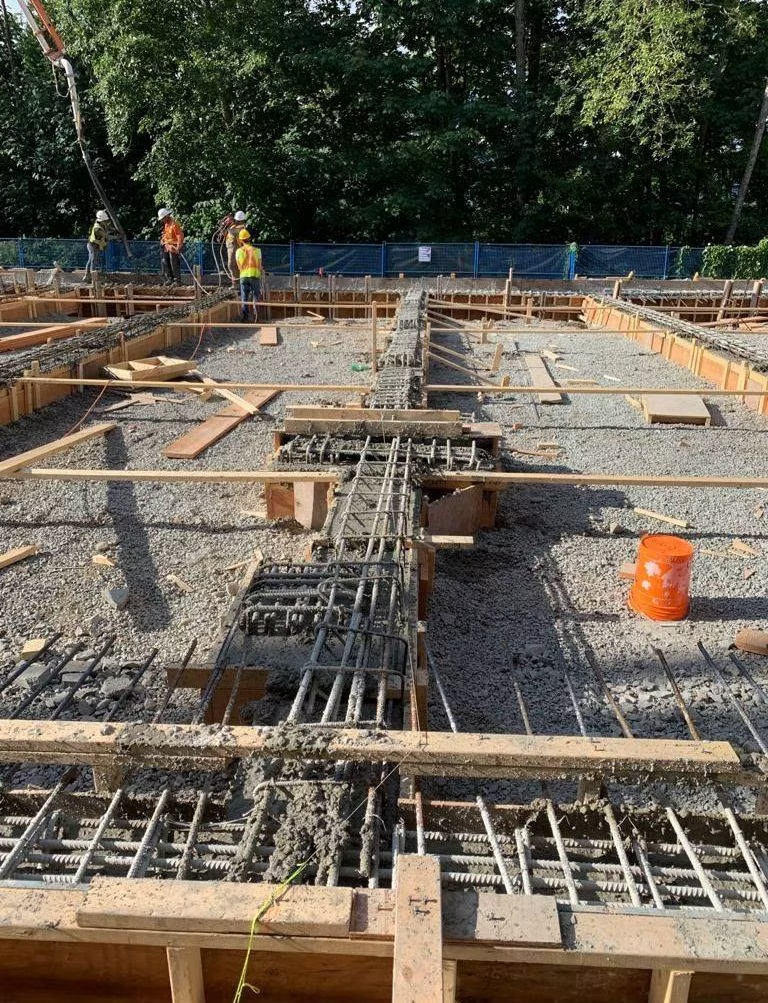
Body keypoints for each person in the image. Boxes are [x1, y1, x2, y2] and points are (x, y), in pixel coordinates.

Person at [235, 229, 263, 322]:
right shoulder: (257, 251)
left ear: (240, 240)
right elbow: (259, 265)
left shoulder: (238, 251)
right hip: (255, 276)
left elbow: (239, 266)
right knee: (256, 296)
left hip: (243, 277)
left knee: (244, 297)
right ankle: (256, 317)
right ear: (249, 239)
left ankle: (245, 317)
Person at [84, 209, 115, 283]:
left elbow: (108, 228)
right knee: (93, 260)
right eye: (105, 220)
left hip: (95, 245)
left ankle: (87, 276)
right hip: (92, 246)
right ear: (102, 220)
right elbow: (107, 236)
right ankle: (92, 278)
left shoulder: (101, 223)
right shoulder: (97, 229)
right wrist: (117, 237)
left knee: (91, 260)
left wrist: (113, 230)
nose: (106, 221)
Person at [158, 208, 184, 286]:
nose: (162, 220)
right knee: (166, 262)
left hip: (174, 246)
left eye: (163, 218)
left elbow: (180, 236)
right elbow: (166, 234)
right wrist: (163, 240)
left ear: (166, 216)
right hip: (167, 245)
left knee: (174, 263)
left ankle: (177, 281)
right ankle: (170, 279)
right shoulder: (166, 224)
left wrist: (178, 247)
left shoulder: (174, 224)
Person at [226, 210, 247, 287]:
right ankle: (235, 284)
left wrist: (228, 224)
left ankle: (236, 284)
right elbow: (228, 234)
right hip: (231, 249)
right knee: (232, 266)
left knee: (232, 266)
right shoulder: (233, 227)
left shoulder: (242, 228)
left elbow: (233, 232)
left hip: (237, 249)